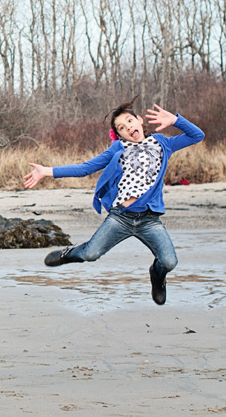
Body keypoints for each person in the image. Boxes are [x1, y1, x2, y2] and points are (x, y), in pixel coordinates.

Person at [24, 99, 205, 305]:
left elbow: (197, 135)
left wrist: (175, 120)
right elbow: (85, 168)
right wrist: (47, 171)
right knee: (91, 254)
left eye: (129, 121)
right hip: (121, 218)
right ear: (119, 135)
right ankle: (69, 254)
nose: (128, 127)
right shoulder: (118, 149)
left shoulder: (163, 143)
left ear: (139, 120)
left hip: (149, 220)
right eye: (121, 127)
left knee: (169, 262)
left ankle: (157, 276)